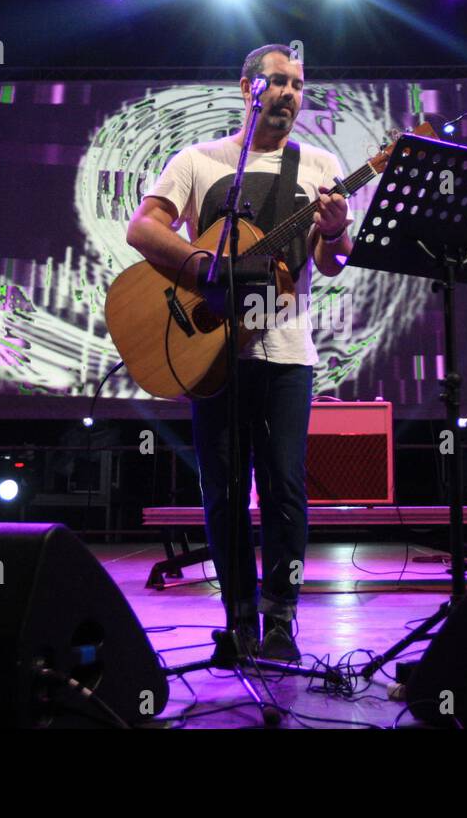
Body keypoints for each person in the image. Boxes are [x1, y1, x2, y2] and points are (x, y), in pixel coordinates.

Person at [124, 44, 351, 660]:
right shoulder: (197, 161)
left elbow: (331, 263)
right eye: (277, 82)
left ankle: (281, 619)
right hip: (211, 356)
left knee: (283, 487)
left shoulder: (320, 165)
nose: (289, 94)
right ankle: (239, 617)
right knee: (223, 490)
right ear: (247, 88)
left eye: (299, 85)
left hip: (285, 354)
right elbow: (143, 228)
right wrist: (202, 269)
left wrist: (333, 230)